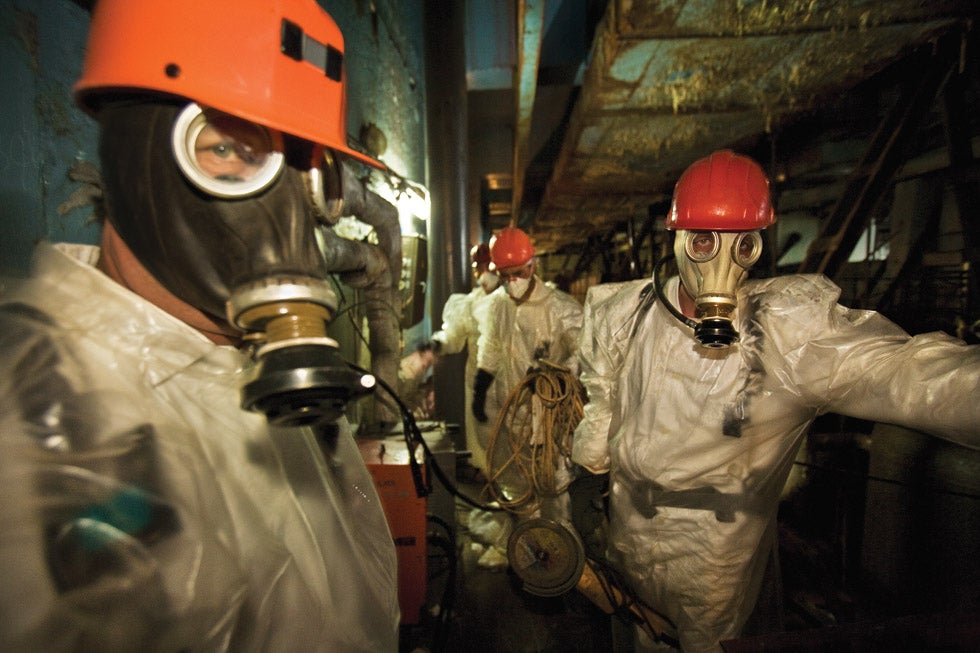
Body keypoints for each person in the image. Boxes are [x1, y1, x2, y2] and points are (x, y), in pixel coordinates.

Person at [0, 1, 399, 650]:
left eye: (310, 177)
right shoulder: (48, 426)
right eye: (228, 150)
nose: (283, 219)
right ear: (134, 156)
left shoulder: (264, 374)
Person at [571, 149, 980, 652]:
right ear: (675, 237)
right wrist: (593, 448)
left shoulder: (786, 332)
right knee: (636, 634)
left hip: (716, 554)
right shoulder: (625, 312)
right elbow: (601, 384)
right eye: (702, 241)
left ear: (758, 247)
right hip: (628, 528)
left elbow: (910, 375)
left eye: (741, 246)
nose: (719, 264)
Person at [473, 227, 583, 520]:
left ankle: (560, 550)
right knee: (519, 485)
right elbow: (492, 344)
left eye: (518, 273)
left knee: (554, 484)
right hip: (512, 413)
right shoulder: (499, 303)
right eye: (505, 275)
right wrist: (481, 383)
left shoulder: (559, 308)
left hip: (549, 416)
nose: (512, 282)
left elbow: (584, 351)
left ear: (533, 266)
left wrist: (558, 375)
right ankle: (530, 552)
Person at [431, 243, 500, 476]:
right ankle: (492, 480)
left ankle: (514, 486)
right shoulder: (470, 303)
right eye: (478, 268)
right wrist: (440, 342)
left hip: (510, 380)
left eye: (486, 266)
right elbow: (455, 335)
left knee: (510, 434)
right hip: (477, 380)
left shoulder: (511, 301)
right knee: (482, 436)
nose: (482, 274)